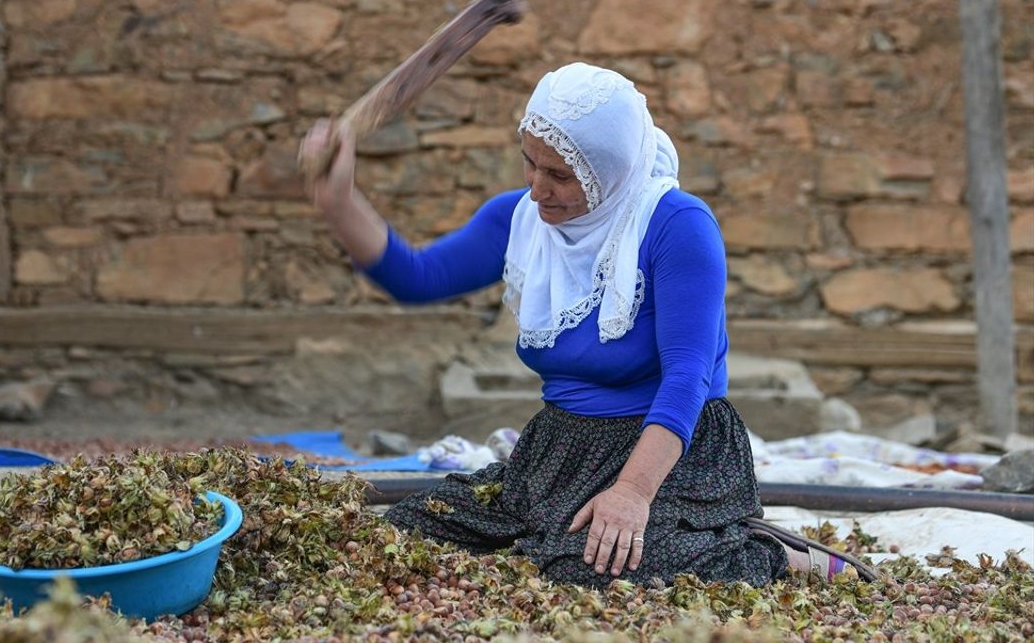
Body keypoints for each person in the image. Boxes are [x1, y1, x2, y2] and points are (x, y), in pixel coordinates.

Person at [300, 62, 876, 587]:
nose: (537, 187)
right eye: (529, 161)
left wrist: (631, 492)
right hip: (561, 448)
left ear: (610, 169)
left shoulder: (676, 226)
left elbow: (688, 378)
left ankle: (776, 555)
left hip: (672, 450)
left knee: (589, 567)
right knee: (415, 527)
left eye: (560, 174)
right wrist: (340, 202)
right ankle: (586, 532)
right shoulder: (522, 219)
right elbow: (417, 277)